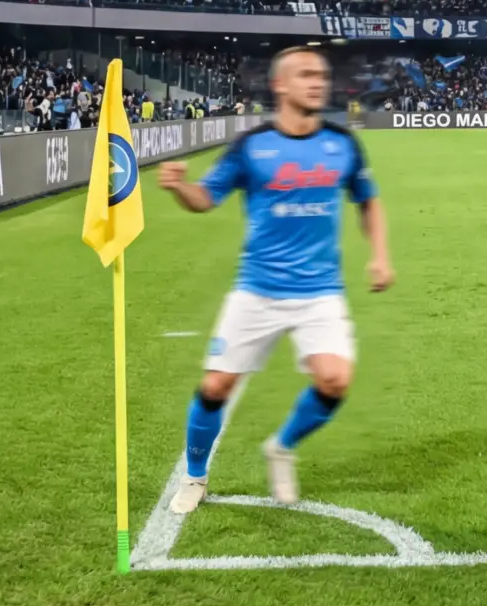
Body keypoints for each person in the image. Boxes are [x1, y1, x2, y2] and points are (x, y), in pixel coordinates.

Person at [157, 46, 393, 513]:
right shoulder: (253, 146)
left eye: (320, 75)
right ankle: (195, 476)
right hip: (257, 289)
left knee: (335, 381)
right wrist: (180, 187)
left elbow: (368, 200)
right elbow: (207, 197)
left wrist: (380, 255)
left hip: (320, 291)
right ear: (281, 85)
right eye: (305, 74)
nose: (316, 82)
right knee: (215, 388)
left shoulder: (343, 144)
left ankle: (281, 446)